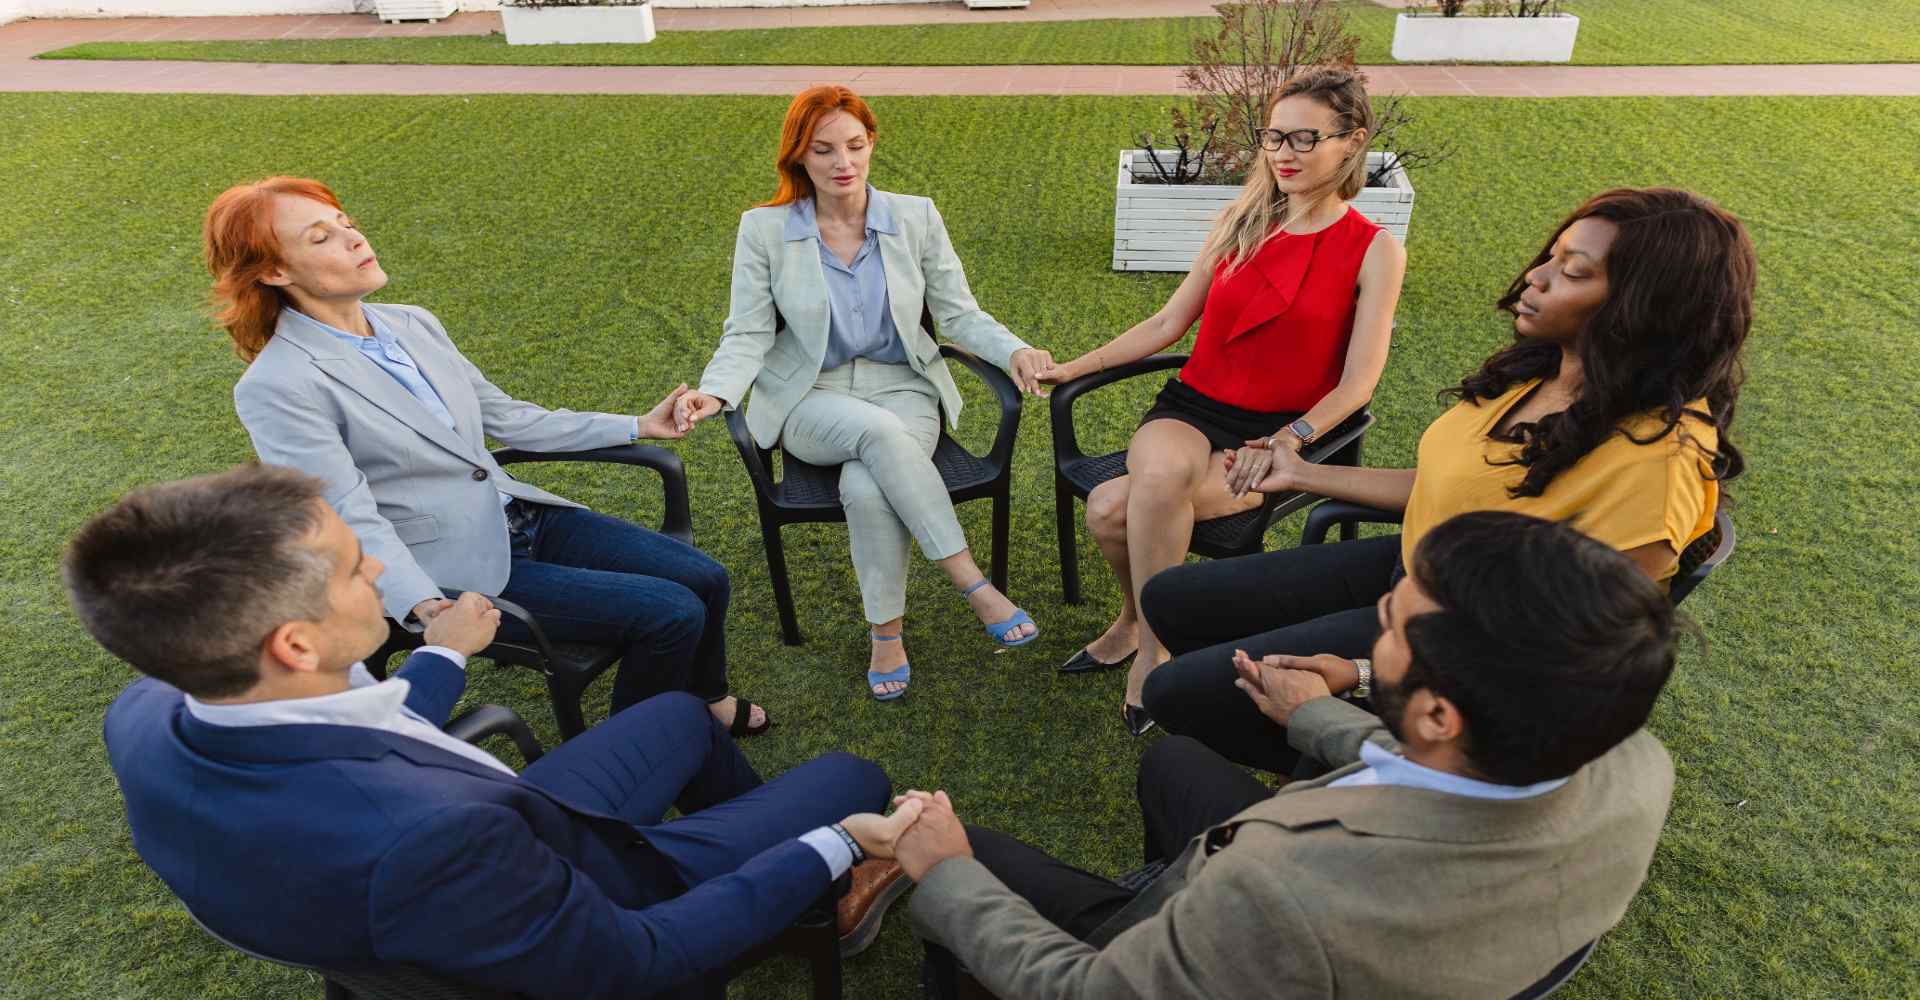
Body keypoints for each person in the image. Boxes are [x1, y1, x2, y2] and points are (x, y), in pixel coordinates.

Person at [67, 465, 926, 1000]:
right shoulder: (435, 842)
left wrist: (440, 656)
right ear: (293, 643)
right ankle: (807, 898)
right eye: (354, 565)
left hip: (487, 860)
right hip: (615, 941)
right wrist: (839, 844)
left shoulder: (150, 711)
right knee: (850, 780)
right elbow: (635, 960)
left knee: (675, 716)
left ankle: (786, 898)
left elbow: (351, 734)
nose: (378, 566)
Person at [896, 512, 1680, 1000]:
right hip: (1409, 971)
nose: (1372, 633)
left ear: (1441, 716)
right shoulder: (1633, 766)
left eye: (1389, 628)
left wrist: (949, 872)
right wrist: (1321, 713)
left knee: (955, 856)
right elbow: (1445, 773)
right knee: (1174, 764)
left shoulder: (1283, 894)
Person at [1141, 186, 1753, 769]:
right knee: (1171, 599)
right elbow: (1447, 486)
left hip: (1465, 639)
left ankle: (1350, 774)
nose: (1535, 277)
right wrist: (1301, 473)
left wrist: (1361, 675)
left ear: (1647, 308)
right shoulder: (1545, 371)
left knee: (1174, 693)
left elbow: (1557, 660)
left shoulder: (1657, 465)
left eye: (1573, 272)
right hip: (1419, 565)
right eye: (1552, 256)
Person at [209, 176, 769, 736]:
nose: (354, 239)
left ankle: (707, 697)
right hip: (448, 567)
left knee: (705, 578)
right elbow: (344, 516)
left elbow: (505, 415)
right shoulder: (280, 384)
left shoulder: (410, 322)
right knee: (671, 611)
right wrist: (424, 604)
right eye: (321, 237)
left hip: (520, 516)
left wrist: (638, 425)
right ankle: (635, 748)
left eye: (346, 224)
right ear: (274, 271)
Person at [1033, 66, 1405, 736]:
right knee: (1159, 480)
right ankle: (1153, 642)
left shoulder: (1375, 249)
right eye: (1275, 137)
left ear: (1352, 142)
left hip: (1273, 432)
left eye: (1305, 138)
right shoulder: (1240, 221)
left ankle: (1138, 631)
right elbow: (1167, 323)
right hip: (1190, 407)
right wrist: (1074, 367)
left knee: (1111, 506)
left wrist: (1292, 438)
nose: (1285, 153)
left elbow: (1359, 383)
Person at [673, 85, 1051, 701]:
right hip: (808, 397)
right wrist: (715, 394)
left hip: (904, 389)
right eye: (823, 150)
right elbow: (747, 331)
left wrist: (1014, 350)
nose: (842, 162)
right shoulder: (764, 229)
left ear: (871, 142)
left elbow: (958, 313)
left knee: (868, 484)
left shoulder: (915, 216)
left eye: (854, 145)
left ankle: (886, 635)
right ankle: (973, 584)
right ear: (800, 156)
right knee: (877, 435)